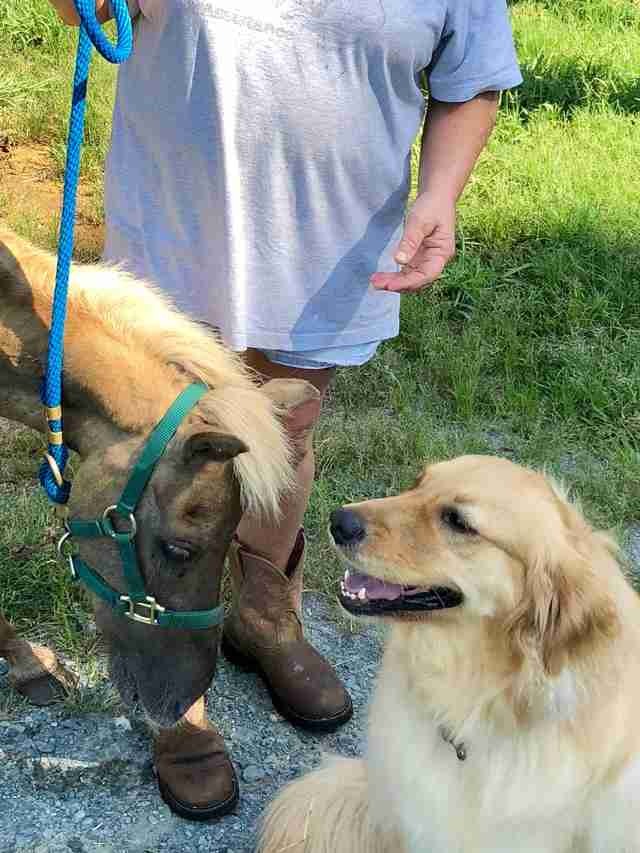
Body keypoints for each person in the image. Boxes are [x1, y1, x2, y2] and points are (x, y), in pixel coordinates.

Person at [50, 0, 521, 821]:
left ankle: (265, 618)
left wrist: (442, 193)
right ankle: (175, 695)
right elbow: (81, 12)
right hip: (175, 235)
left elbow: (470, 78)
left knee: (287, 437)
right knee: (168, 466)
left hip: (334, 247)